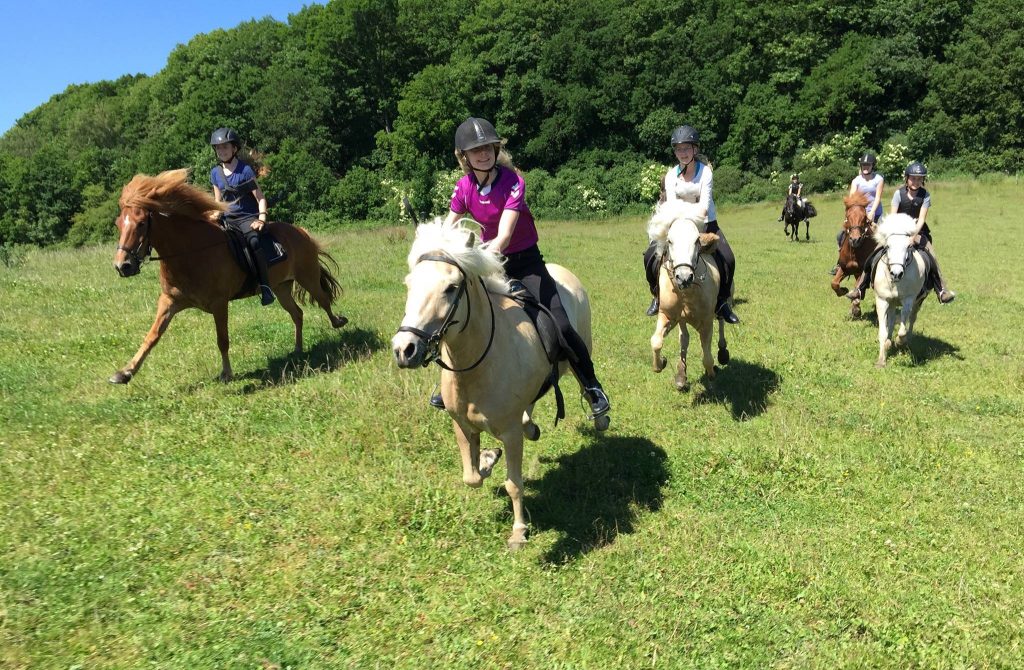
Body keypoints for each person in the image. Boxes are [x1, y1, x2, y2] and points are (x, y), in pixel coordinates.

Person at [429, 117, 611, 419]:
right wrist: (437, 251)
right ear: (464, 157)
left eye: (488, 148)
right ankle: (446, 384)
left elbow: (504, 236)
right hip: (488, 265)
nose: (484, 154)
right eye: (476, 151)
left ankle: (591, 386)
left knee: (562, 324)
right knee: (454, 312)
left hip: (524, 263)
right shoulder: (463, 187)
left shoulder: (513, 181)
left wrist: (476, 258)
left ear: (496, 149)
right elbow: (449, 226)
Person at [642, 125, 740, 323]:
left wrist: (680, 208)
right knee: (650, 256)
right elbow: (669, 208)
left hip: (706, 224)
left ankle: (721, 303)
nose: (682, 153)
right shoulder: (670, 175)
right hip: (676, 226)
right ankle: (657, 296)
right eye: (678, 149)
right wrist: (682, 211)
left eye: (686, 148)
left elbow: (703, 210)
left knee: (728, 259)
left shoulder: (706, 173)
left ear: (695, 149)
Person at [845, 161, 955, 304]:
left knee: (931, 255)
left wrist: (913, 236)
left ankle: (941, 290)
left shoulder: (925, 195)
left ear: (923, 180)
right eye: (913, 178)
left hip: (917, 232)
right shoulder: (898, 194)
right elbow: (893, 216)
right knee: (875, 253)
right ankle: (860, 288)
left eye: (919, 178)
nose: (916, 181)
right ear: (907, 178)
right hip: (897, 232)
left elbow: (921, 219)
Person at [209, 127, 274, 306]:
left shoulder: (244, 170)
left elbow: (260, 198)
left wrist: (261, 218)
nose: (222, 151)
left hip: (247, 218)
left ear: (234, 149)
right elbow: (218, 201)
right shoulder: (215, 173)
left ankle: (265, 286)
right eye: (218, 148)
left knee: (253, 242)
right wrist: (214, 214)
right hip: (227, 219)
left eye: (225, 147)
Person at [830, 152, 885, 275]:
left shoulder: (878, 179)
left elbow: (877, 198)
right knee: (841, 235)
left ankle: (883, 264)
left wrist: (871, 213)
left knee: (883, 237)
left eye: (868, 165)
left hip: (875, 213)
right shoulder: (856, 180)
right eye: (864, 165)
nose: (866, 167)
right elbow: (851, 200)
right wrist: (848, 217)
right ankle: (840, 262)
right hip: (858, 214)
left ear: (873, 166)